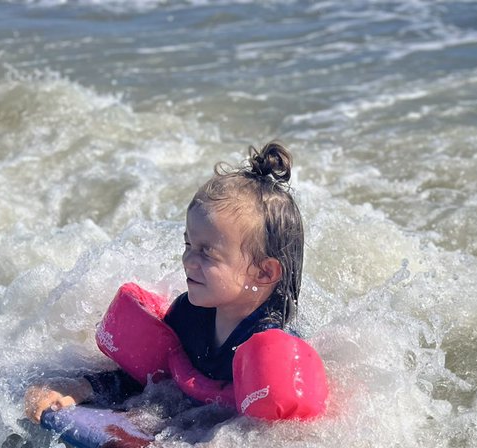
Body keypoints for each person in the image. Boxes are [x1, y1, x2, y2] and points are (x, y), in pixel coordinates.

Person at [23, 141, 305, 427]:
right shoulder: (189, 313)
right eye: (188, 244)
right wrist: (82, 387)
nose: (188, 259)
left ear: (264, 273)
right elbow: (150, 379)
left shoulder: (270, 351)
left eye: (207, 252)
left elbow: (269, 436)